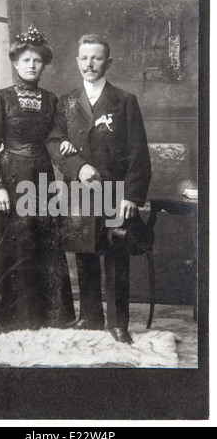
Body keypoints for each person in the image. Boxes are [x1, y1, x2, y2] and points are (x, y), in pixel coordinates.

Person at [0, 26, 76, 333]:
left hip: (41, 178)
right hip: (10, 179)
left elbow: (57, 138)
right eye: (26, 60)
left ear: (44, 65)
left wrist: (65, 143)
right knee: (9, 246)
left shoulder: (52, 100)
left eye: (37, 61)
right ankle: (2, 320)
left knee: (40, 245)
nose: (31, 65)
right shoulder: (1, 98)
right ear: (16, 63)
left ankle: (40, 319)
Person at [46, 34, 151, 344]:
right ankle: (90, 318)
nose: (89, 63)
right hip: (78, 191)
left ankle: (118, 323)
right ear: (77, 62)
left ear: (108, 62)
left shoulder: (124, 100)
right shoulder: (65, 102)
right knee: (84, 253)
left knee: (116, 256)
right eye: (84, 58)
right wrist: (78, 167)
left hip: (115, 191)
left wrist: (132, 195)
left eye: (96, 57)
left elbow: (138, 152)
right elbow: (53, 141)